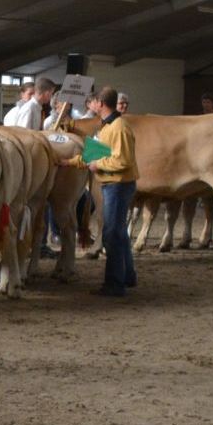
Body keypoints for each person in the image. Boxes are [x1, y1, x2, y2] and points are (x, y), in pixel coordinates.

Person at [87, 87, 138, 297]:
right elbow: (94, 153)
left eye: (94, 102)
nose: (91, 105)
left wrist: (97, 164)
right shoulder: (107, 126)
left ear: (100, 103)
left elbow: (122, 161)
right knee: (119, 232)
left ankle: (115, 284)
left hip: (117, 185)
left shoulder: (118, 127)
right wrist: (70, 161)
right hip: (114, 184)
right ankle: (127, 276)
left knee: (111, 234)